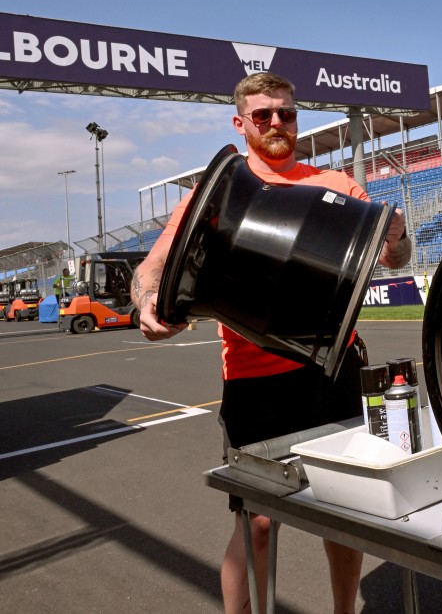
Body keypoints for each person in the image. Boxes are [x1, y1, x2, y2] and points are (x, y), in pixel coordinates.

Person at [131, 72, 411, 614]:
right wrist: (145, 302)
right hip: (254, 381)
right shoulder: (214, 196)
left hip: (333, 372)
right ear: (241, 124)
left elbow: (390, 258)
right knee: (256, 521)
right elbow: (154, 265)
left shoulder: (337, 183)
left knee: (343, 512)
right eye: (263, 115)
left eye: (286, 113)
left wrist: (397, 238)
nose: (277, 122)